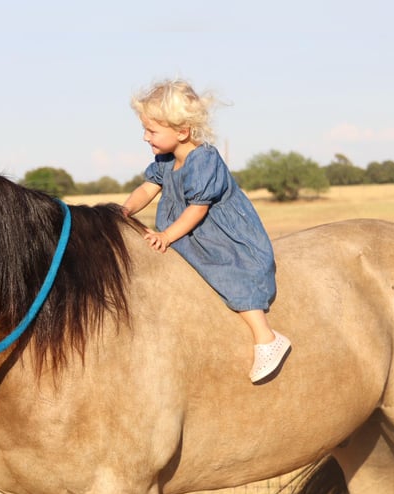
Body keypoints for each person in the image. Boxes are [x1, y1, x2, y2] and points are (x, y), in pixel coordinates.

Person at [121, 79, 291, 383]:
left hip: (219, 232)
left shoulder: (205, 159)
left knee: (229, 273)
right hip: (188, 230)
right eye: (145, 129)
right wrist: (123, 211)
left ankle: (266, 336)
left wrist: (167, 236)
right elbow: (148, 189)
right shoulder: (165, 160)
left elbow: (198, 209)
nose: (146, 137)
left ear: (182, 131)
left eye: (152, 130)